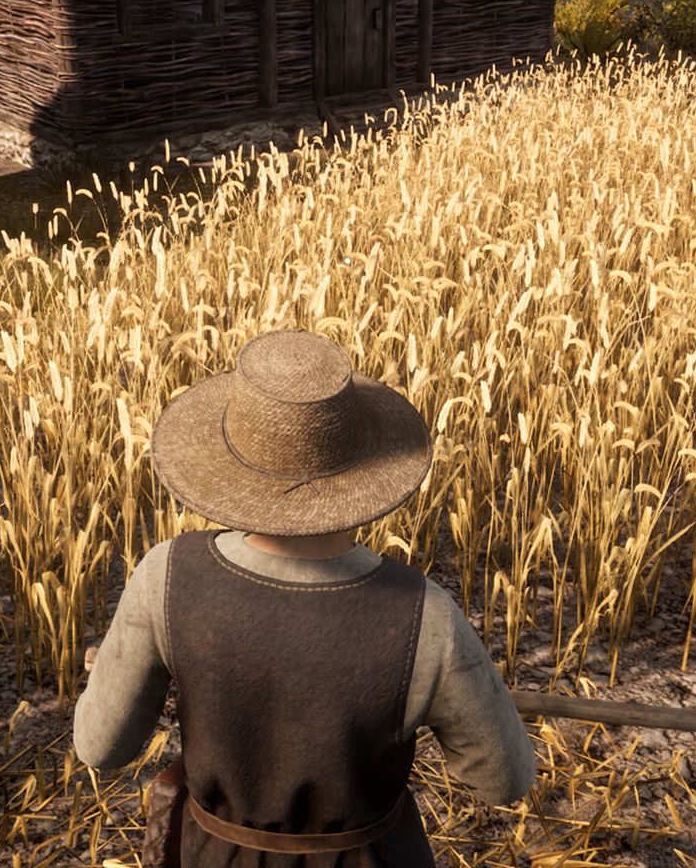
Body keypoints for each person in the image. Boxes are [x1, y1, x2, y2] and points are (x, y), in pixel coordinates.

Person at [74, 329, 535, 866]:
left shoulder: (165, 578)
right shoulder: (426, 615)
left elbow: (100, 746)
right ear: (363, 464)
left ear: (232, 461)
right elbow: (505, 779)